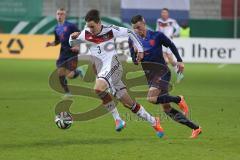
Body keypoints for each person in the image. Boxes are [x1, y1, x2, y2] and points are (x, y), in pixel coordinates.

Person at [69, 9, 164, 137]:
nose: (90, 29)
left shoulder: (110, 30)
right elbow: (71, 42)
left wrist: (140, 50)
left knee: (98, 88)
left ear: (99, 23)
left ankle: (118, 120)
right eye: (88, 26)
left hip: (113, 65)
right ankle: (154, 121)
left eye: (92, 26)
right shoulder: (85, 33)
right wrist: (72, 37)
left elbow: (130, 32)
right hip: (102, 70)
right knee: (129, 104)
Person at [130, 15, 202, 138]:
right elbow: (135, 61)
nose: (137, 30)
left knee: (151, 99)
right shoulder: (132, 40)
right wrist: (136, 56)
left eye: (138, 27)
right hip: (150, 76)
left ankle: (178, 99)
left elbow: (171, 45)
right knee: (167, 109)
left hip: (162, 72)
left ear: (144, 23)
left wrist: (179, 60)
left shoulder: (157, 36)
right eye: (134, 28)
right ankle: (196, 128)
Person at [46, 8, 84, 98]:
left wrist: (77, 46)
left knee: (70, 75)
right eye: (58, 14)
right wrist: (51, 44)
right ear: (56, 15)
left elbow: (81, 35)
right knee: (60, 73)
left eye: (61, 14)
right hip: (63, 53)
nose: (59, 16)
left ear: (65, 15)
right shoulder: (56, 28)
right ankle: (67, 92)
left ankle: (78, 72)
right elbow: (57, 41)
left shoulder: (71, 26)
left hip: (72, 53)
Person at [156, 8, 183, 83]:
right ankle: (177, 74)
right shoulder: (159, 21)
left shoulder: (172, 21)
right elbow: (157, 30)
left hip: (168, 42)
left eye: (165, 12)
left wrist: (174, 34)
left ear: (168, 14)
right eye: (162, 12)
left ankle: (163, 76)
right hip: (161, 42)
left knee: (169, 59)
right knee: (167, 59)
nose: (163, 14)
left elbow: (178, 29)